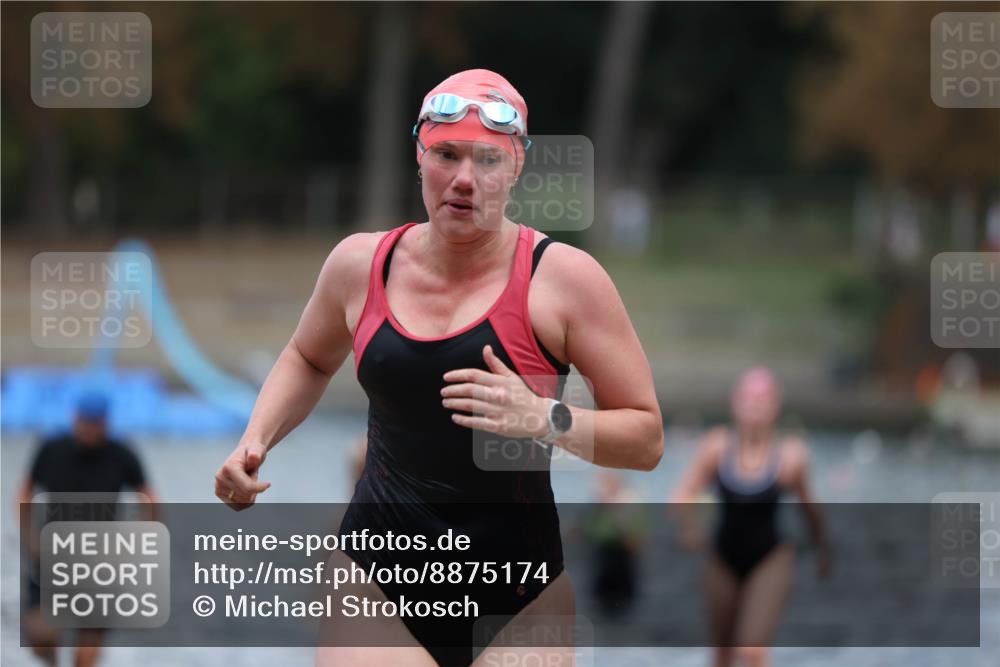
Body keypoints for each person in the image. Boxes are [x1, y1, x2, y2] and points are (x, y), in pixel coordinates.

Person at [214, 68, 663, 667]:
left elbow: (646, 438)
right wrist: (255, 441)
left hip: (519, 594)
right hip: (376, 578)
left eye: (488, 160)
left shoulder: (565, 281)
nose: (464, 180)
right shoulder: (359, 265)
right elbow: (307, 356)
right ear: (419, 156)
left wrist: (545, 416)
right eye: (447, 154)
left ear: (517, 168)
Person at [670, 368, 830, 667]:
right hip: (722, 557)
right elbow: (681, 496)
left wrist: (823, 550)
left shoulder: (791, 456)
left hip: (770, 558)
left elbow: (810, 509)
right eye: (749, 400)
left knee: (752, 651)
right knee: (722, 655)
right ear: (735, 404)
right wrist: (692, 527)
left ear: (776, 407)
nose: (755, 408)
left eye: (763, 401)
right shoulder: (717, 447)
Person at [16, 391, 159, 667]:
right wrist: (29, 536)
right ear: (75, 419)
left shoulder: (121, 454)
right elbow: (24, 493)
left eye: (95, 424)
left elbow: (149, 498)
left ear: (105, 423)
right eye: (84, 422)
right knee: (41, 635)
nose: (89, 430)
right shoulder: (53, 449)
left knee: (87, 648)